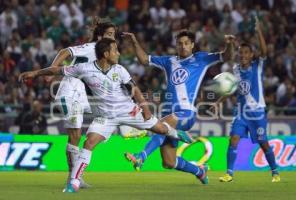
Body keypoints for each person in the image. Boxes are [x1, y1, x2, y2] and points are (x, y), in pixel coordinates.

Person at [19, 38, 193, 193]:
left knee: (161, 129)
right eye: (115, 50)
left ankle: (177, 134)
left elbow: (134, 89)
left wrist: (145, 108)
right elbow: (58, 70)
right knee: (88, 143)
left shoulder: (120, 70)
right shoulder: (84, 69)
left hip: (129, 111)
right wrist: (35, 73)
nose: (118, 53)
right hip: (106, 117)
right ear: (105, 53)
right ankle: (74, 181)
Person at [122, 30, 235, 183]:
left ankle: (141, 157)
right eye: (179, 44)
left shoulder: (201, 58)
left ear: (192, 45)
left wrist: (230, 44)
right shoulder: (169, 61)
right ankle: (199, 171)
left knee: (161, 126)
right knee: (169, 162)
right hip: (170, 114)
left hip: (186, 113)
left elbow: (226, 56)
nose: (183, 46)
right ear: (176, 45)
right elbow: (144, 59)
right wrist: (134, 41)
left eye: (186, 43)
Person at [49, 18, 144, 188]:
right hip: (69, 93)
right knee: (75, 136)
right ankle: (73, 178)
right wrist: (51, 70)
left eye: (113, 35)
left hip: (82, 96)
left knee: (90, 130)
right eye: (108, 34)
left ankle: (76, 176)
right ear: (99, 37)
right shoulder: (91, 48)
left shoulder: (107, 54)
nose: (112, 38)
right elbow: (65, 51)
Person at [217, 17, 280, 183]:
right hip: (241, 113)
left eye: (246, 53)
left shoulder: (257, 66)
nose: (243, 55)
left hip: (258, 113)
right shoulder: (236, 70)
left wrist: (259, 31)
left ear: (251, 55)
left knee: (263, 143)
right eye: (241, 52)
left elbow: (265, 52)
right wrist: (218, 102)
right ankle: (229, 173)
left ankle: (275, 171)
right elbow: (231, 89)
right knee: (234, 140)